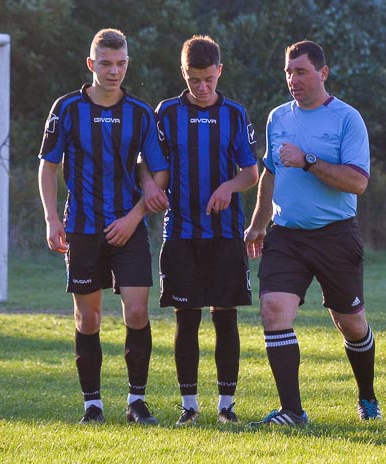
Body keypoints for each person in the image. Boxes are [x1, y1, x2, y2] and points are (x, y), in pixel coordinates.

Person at [244, 40, 380, 425]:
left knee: (351, 323)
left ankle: (367, 396)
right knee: (273, 311)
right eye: (288, 71)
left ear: (323, 73)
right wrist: (258, 224)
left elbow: (357, 182)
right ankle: (292, 412)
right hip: (286, 236)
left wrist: (308, 160)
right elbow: (270, 171)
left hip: (336, 235)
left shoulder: (347, 119)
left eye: (300, 71)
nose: (292, 79)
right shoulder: (277, 118)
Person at [38, 28, 169, 426]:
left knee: (137, 313)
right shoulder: (67, 108)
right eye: (106, 64)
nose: (114, 71)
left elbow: (159, 174)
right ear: (91, 64)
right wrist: (51, 218)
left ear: (127, 64)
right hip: (82, 228)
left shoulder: (142, 113)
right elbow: (48, 166)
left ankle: (136, 402)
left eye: (121, 64)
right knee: (89, 319)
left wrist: (133, 218)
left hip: (128, 230)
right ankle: (92, 406)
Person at [154, 35, 259, 426]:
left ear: (220, 71)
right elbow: (149, 165)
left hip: (225, 233)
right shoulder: (164, 112)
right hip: (180, 232)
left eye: (208, 80)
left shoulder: (235, 113)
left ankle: (226, 406)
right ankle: (190, 406)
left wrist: (229, 187)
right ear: (184, 72)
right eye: (194, 79)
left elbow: (251, 173)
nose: (201, 88)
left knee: (225, 317)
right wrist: (149, 186)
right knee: (186, 318)